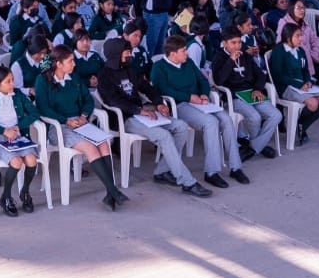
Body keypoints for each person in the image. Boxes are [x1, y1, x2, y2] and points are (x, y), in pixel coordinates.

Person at [95, 37, 209, 196]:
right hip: (125, 119)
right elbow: (113, 100)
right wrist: (138, 110)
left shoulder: (129, 69)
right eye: (126, 52)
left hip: (142, 114)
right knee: (164, 135)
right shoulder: (104, 75)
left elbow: (147, 87)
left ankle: (162, 171)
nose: (130, 55)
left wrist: (159, 103)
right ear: (116, 54)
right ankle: (187, 182)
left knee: (181, 127)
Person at [35, 44, 127, 210]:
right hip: (58, 127)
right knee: (91, 147)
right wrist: (66, 121)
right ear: (59, 64)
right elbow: (43, 108)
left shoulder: (74, 77)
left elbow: (88, 99)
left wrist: (84, 115)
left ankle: (110, 193)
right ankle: (113, 191)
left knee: (104, 143)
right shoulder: (43, 80)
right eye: (70, 61)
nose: (74, 64)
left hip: (80, 122)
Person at [152, 35, 248, 188]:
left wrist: (204, 93)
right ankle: (212, 172)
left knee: (226, 118)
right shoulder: (159, 68)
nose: (187, 54)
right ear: (172, 54)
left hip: (200, 102)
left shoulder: (188, 63)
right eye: (183, 51)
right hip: (180, 106)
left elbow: (203, 80)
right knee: (211, 123)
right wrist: (189, 97)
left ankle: (235, 167)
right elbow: (163, 90)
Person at [0, 65, 43, 217]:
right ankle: (6, 197)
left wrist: (18, 127)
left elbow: (34, 113)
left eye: (13, 80)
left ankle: (24, 191)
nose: (13, 84)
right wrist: (4, 130)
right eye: (8, 81)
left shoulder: (17, 95)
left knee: (32, 160)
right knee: (16, 162)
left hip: (16, 135)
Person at [210, 29, 280, 159]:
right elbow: (219, 80)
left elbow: (259, 74)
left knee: (276, 115)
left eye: (239, 42)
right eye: (233, 43)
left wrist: (258, 88)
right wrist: (230, 61)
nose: (237, 46)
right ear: (224, 43)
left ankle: (253, 147)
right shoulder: (218, 58)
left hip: (252, 93)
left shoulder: (245, 56)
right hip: (234, 97)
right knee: (255, 117)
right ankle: (261, 146)